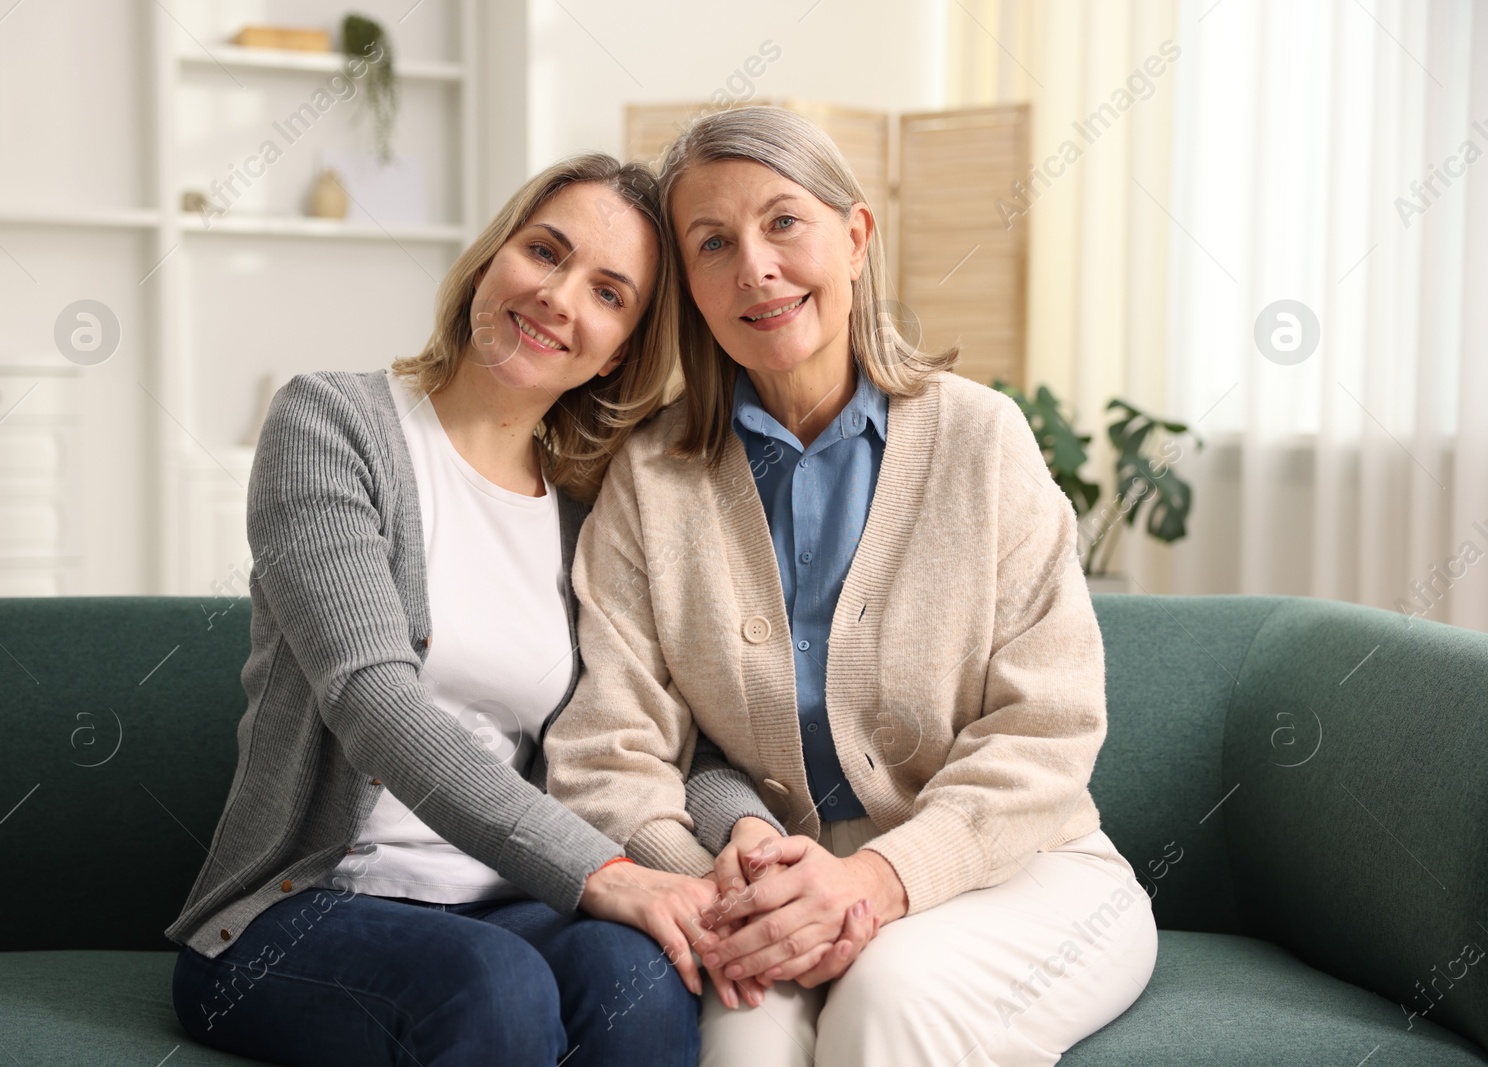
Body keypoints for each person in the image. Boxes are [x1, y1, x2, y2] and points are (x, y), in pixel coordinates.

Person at [544, 107, 1159, 1067]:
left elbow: (1050, 727)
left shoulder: (981, 441)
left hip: (1022, 870)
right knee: (738, 1049)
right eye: (713, 243)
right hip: (763, 890)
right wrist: (717, 878)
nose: (754, 266)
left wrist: (875, 877)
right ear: (691, 289)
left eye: (784, 221)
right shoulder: (651, 477)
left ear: (857, 236)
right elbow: (608, 750)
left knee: (889, 994)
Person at [164, 152, 781, 1067]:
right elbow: (374, 702)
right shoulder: (332, 425)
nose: (558, 298)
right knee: (494, 983)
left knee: (642, 978)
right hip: (297, 914)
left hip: (511, 904)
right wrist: (603, 872)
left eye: (609, 294)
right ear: (494, 256)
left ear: (624, 350)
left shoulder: (593, 511)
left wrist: (744, 833)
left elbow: (658, 734)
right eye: (545, 251)